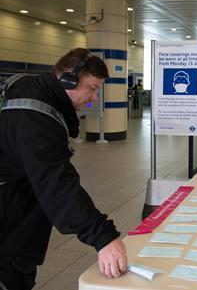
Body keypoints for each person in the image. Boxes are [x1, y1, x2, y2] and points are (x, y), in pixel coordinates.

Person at [0, 48, 128, 290]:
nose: (94, 98)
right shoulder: (34, 119)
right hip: (7, 228)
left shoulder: (29, 89)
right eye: (92, 88)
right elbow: (56, 184)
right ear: (67, 80)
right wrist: (103, 237)